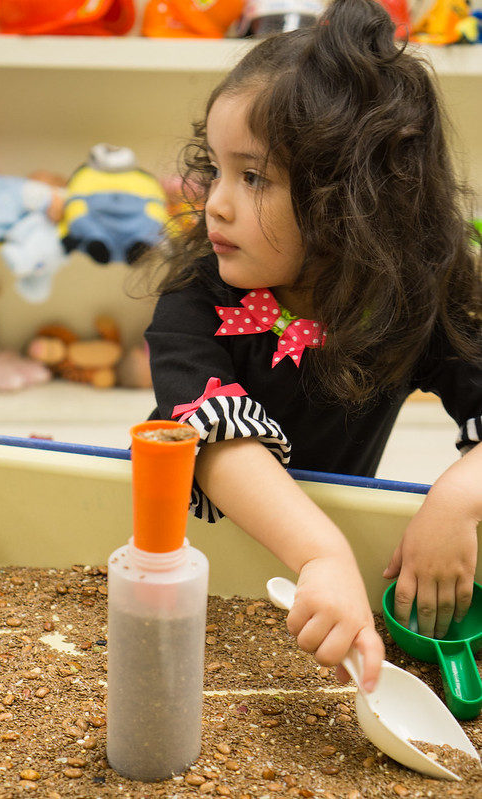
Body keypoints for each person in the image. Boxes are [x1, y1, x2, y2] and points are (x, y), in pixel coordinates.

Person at [143, 0, 482, 692]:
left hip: (330, 590)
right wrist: (322, 553)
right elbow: (215, 445)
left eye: (254, 177)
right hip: (219, 565)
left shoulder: (411, 302)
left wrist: (458, 498)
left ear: (349, 199)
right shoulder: (191, 301)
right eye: (217, 168)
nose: (214, 202)